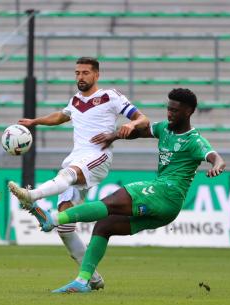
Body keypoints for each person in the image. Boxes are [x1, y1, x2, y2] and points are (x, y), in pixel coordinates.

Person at [23, 88, 226, 293]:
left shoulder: (194, 140)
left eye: (175, 110)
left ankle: (53, 219)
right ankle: (83, 281)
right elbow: (141, 131)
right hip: (165, 207)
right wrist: (115, 135)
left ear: (189, 112)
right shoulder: (165, 129)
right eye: (168, 108)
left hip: (167, 192)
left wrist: (216, 165)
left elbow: (214, 156)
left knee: (112, 201)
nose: (169, 113)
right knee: (105, 225)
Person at [8, 57, 150, 290]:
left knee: (68, 174)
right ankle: (92, 279)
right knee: (65, 227)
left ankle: (32, 196)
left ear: (96, 75)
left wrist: (130, 126)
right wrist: (35, 121)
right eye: (77, 73)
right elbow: (61, 116)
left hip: (98, 155)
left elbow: (142, 118)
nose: (80, 77)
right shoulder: (75, 100)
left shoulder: (110, 96)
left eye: (85, 72)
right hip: (77, 156)